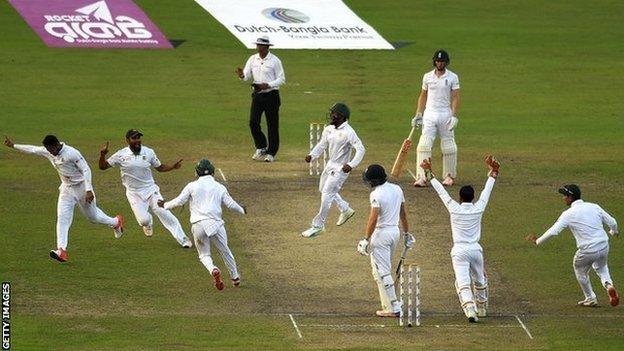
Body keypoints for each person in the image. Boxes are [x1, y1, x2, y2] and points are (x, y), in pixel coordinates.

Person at [3, 135, 124, 262]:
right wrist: (13, 145)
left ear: (56, 145)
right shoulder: (49, 151)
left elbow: (86, 169)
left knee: (93, 218)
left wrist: (88, 190)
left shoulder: (72, 153)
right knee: (62, 218)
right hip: (66, 189)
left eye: (50, 149)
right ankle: (61, 250)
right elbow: (33, 149)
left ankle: (116, 222)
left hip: (82, 188)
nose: (49, 152)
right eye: (47, 150)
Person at [420, 155, 499, 322]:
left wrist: (428, 170)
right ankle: (482, 308)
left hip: (459, 250)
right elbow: (487, 191)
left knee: (462, 281)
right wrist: (494, 172)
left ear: (461, 198)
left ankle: (470, 309)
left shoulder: (454, 208)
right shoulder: (479, 207)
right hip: (476, 249)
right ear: (472, 197)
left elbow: (441, 191)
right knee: (480, 279)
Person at [158, 159, 246, 290]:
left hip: (198, 225)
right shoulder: (220, 187)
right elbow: (231, 204)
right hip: (216, 224)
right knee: (225, 251)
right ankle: (235, 278)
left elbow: (179, 201)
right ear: (212, 172)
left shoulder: (191, 186)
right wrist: (242, 210)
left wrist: (165, 205)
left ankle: (213, 269)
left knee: (204, 255)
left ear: (197, 172)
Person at [526, 184, 619, 307]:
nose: (563, 198)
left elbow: (554, 231)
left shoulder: (568, 214)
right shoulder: (594, 207)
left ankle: (590, 298)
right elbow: (612, 221)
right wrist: (614, 231)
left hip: (587, 250)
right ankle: (609, 286)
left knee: (580, 270)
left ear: (570, 197)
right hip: (603, 245)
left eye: (564, 196)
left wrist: (538, 241)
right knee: (602, 268)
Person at [98, 129, 192, 248]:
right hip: (134, 193)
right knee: (143, 221)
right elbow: (102, 167)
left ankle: (183, 239)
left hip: (151, 190)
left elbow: (160, 167)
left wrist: (173, 167)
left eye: (138, 138)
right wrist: (102, 154)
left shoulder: (149, 152)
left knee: (164, 213)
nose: (137, 140)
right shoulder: (120, 155)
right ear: (127, 140)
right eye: (134, 138)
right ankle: (148, 223)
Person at [302, 102, 365, 237]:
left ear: (341, 116)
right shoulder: (328, 129)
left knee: (327, 193)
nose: (331, 115)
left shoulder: (349, 132)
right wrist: (312, 155)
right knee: (323, 189)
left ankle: (318, 226)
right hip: (330, 164)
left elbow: (361, 149)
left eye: (334, 113)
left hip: (341, 168)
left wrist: (351, 164)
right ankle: (345, 209)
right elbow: (322, 144)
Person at [357, 164, 412, 317]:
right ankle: (389, 303)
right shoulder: (397, 189)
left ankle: (394, 308)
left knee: (383, 272)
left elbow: (373, 218)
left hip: (381, 235)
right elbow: (404, 214)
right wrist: (407, 233)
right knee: (379, 271)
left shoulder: (376, 194)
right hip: (395, 233)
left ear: (373, 181)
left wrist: (366, 239)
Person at [411, 49, 461, 187]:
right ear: (435, 62)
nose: (440, 63)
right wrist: (418, 114)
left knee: (449, 145)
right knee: (424, 145)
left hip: (445, 113)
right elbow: (423, 95)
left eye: (442, 61)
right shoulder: (427, 76)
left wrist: (454, 115)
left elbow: (456, 97)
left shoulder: (452, 77)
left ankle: (449, 176)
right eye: (438, 61)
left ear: (446, 62)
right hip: (430, 114)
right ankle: (422, 176)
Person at [236, 35, 285, 163]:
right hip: (258, 95)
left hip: (271, 95)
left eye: (261, 45)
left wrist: (268, 84)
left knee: (272, 125)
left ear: (267, 47)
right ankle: (261, 147)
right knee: (253, 122)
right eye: (257, 45)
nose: (258, 47)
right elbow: (246, 76)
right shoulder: (253, 59)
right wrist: (242, 75)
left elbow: (281, 79)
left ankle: (271, 152)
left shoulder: (275, 60)